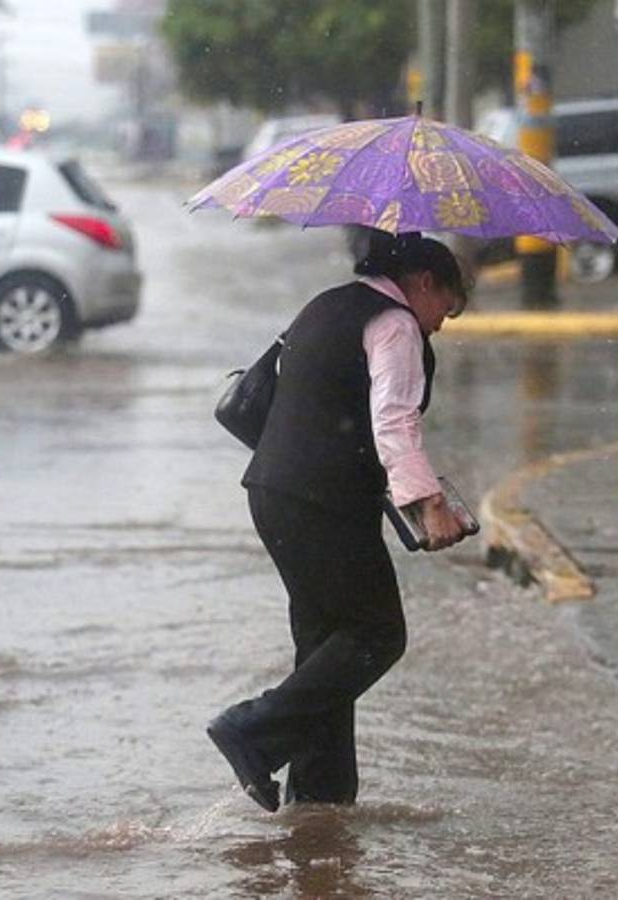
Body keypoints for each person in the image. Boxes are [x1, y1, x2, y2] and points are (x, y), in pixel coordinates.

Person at [207, 232, 470, 812]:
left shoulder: (327, 303)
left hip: (273, 492)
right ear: (425, 283)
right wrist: (428, 504)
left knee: (327, 648)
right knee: (377, 635)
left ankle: (320, 800)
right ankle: (251, 730)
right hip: (323, 503)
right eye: (444, 311)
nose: (438, 327)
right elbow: (394, 422)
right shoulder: (394, 324)